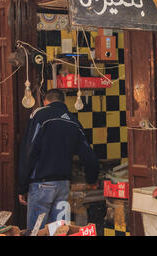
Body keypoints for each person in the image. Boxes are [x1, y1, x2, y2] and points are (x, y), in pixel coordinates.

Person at [18, 89, 99, 230]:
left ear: (45, 101)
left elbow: (29, 151)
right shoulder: (73, 121)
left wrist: (22, 186)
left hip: (41, 184)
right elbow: (89, 155)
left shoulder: (40, 115)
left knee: (37, 231)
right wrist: (92, 179)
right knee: (59, 231)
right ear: (64, 101)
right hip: (63, 185)